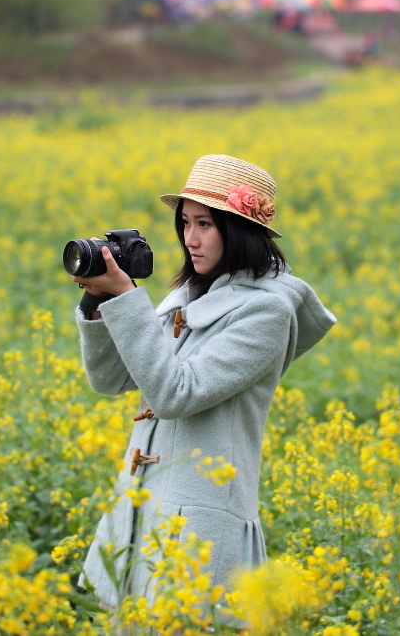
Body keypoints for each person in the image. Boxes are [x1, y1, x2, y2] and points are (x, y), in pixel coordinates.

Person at [71, 154, 337, 614]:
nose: (190, 239)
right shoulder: (189, 294)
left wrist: (129, 298)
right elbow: (110, 379)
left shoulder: (266, 312)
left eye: (205, 225)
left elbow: (176, 394)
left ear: (239, 232)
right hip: (144, 510)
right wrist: (99, 300)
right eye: (186, 223)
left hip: (199, 525)